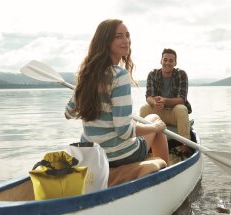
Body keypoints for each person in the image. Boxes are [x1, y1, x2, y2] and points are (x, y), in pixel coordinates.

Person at [65, 19, 169, 167]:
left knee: (140, 121)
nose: (126, 40)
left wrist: (81, 90)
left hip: (93, 155)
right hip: (119, 155)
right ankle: (166, 174)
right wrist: (155, 128)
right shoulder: (119, 75)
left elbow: (69, 113)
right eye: (118, 36)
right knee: (154, 118)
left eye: (127, 35)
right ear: (105, 42)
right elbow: (124, 131)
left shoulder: (86, 75)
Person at [139, 48, 192, 147]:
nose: (167, 63)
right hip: (158, 111)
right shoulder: (152, 74)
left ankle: (186, 146)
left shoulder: (181, 74)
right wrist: (155, 103)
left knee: (181, 108)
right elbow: (149, 96)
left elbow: (182, 99)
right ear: (161, 61)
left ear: (175, 63)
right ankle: (140, 145)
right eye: (165, 59)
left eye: (171, 60)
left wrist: (164, 100)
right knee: (144, 109)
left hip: (174, 114)